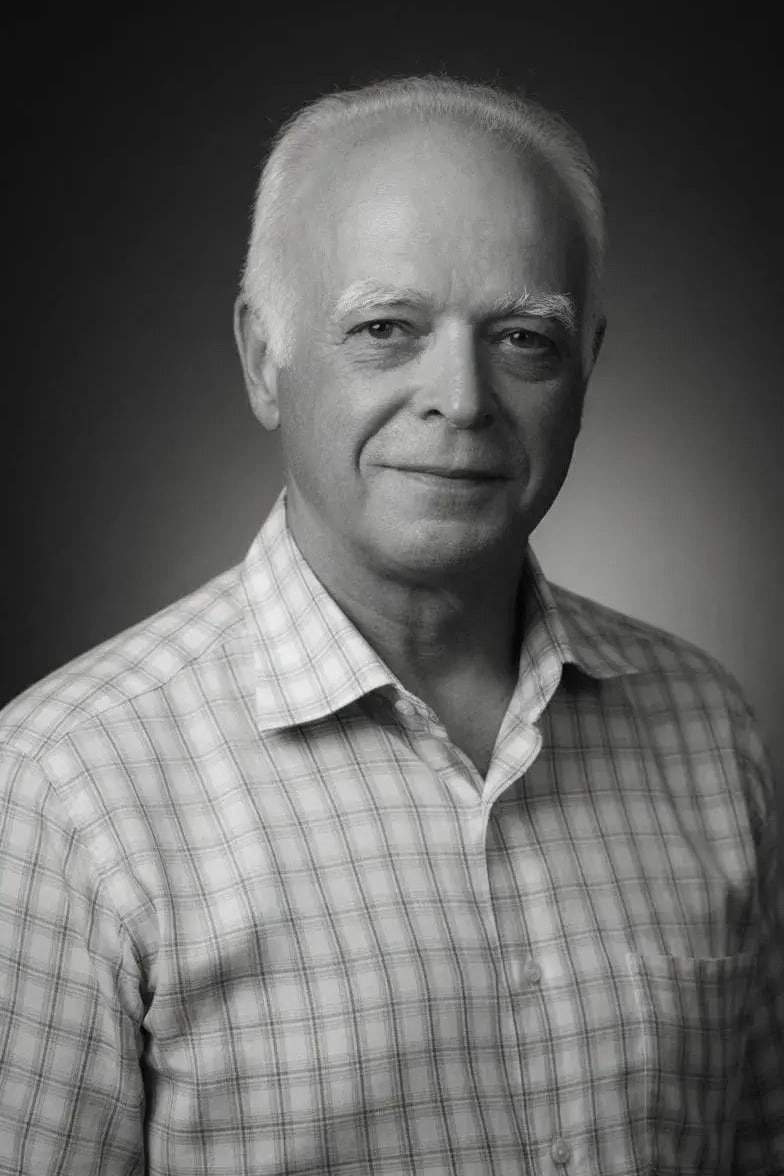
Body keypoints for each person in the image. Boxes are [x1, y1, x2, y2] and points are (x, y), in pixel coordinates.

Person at [0, 74, 781, 1176]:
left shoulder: (706, 729)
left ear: (586, 370)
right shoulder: (64, 791)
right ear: (263, 360)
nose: (461, 398)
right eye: (385, 328)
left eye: (524, 338)